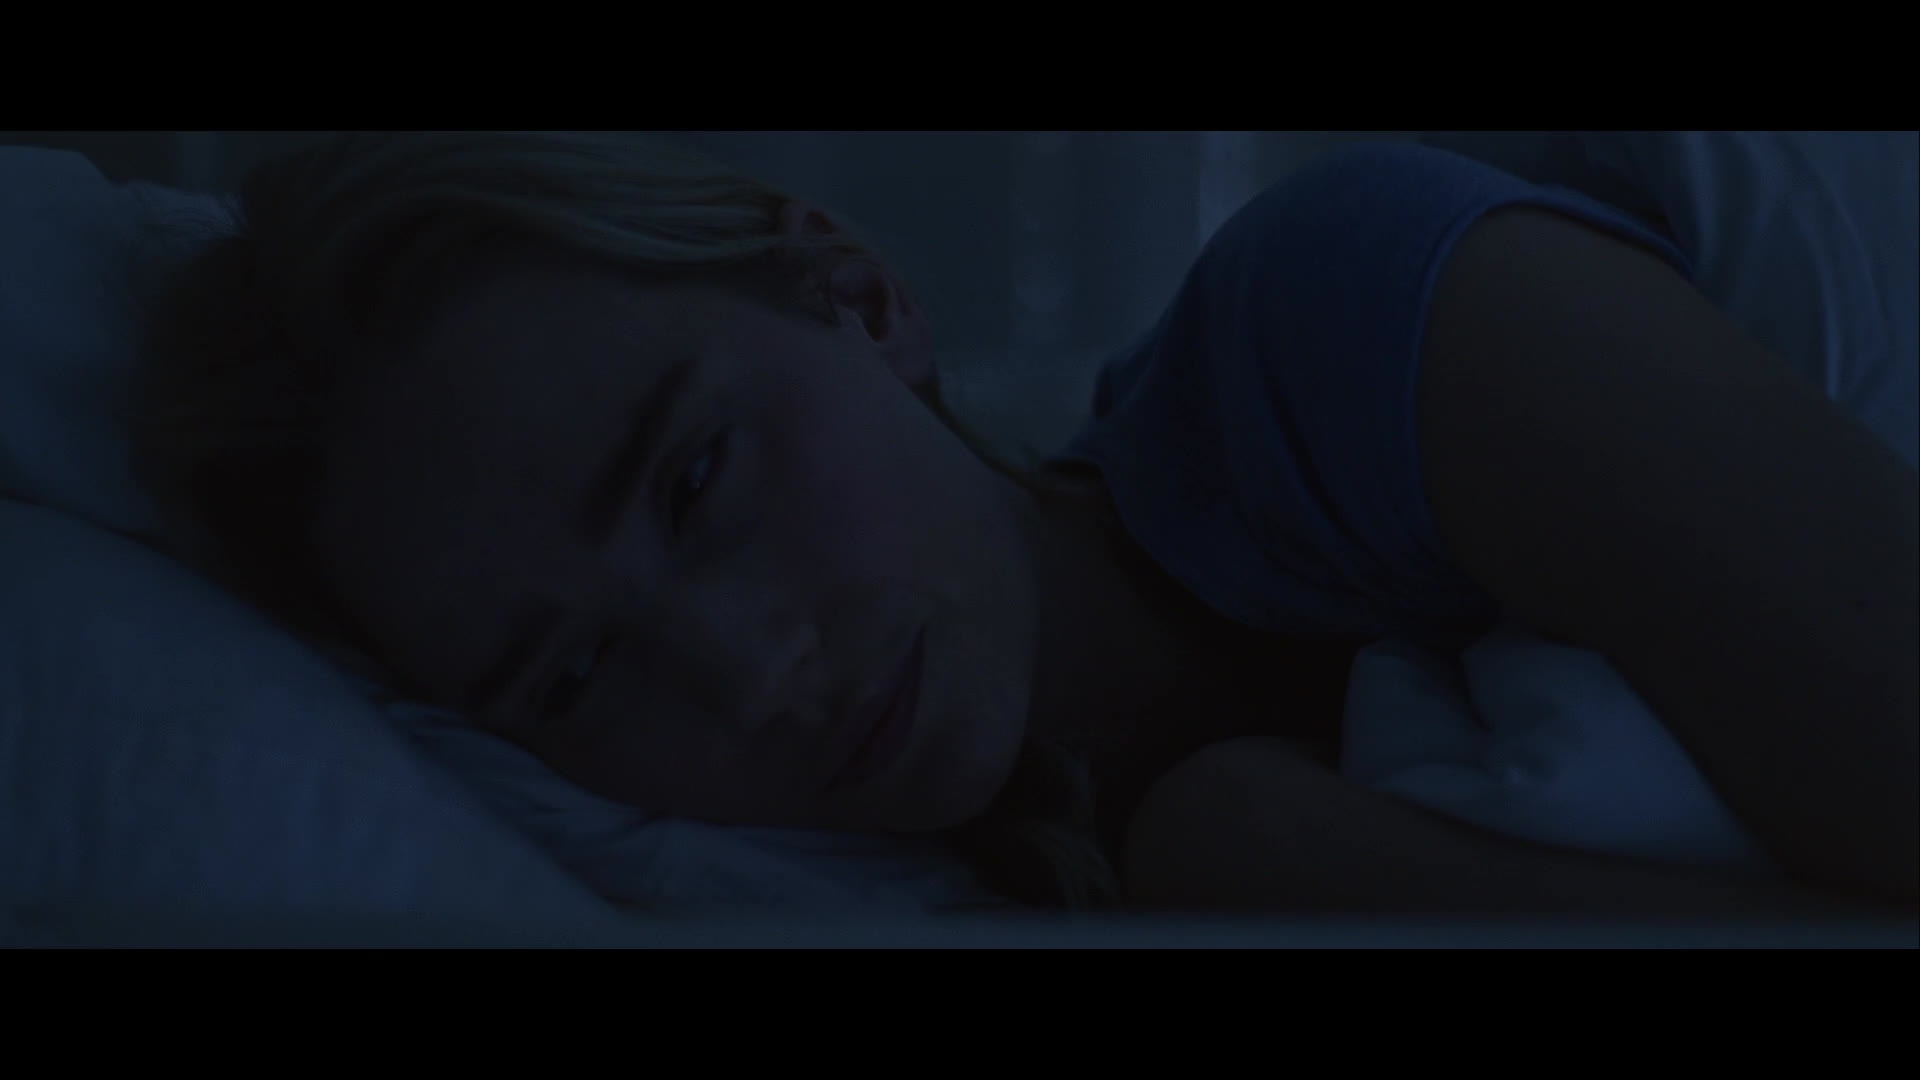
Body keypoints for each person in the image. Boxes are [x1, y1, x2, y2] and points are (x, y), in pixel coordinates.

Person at [136, 131, 1918, 915]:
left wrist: (1310, 873)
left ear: (856, 291)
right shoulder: (1015, 877)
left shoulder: (1345, 326)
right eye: (578, 674)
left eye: (694, 482)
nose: (745, 676)